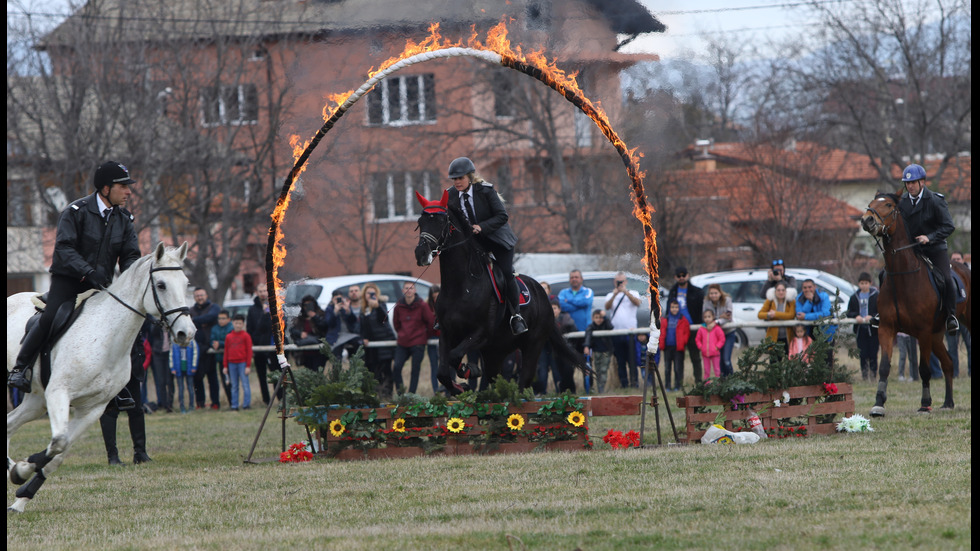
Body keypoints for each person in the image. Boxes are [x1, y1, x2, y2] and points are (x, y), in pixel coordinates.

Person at [8, 160, 141, 410]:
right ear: (105, 188)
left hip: (102, 283)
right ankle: (21, 368)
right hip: (68, 280)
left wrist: (131, 278)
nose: (128, 191)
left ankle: (118, 386)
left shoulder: (124, 218)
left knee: (122, 325)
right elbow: (64, 249)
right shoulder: (75, 211)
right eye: (123, 186)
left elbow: (130, 254)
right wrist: (88, 272)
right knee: (50, 318)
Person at [446, 156, 527, 335]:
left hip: (498, 240)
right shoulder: (450, 195)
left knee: (506, 272)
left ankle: (516, 316)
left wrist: (481, 227)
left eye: (460, 178)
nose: (456, 182)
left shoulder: (485, 191)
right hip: (474, 243)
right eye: (454, 179)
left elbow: (502, 216)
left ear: (470, 176)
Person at [897, 163, 958, 335]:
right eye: (907, 183)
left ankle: (951, 316)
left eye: (913, 182)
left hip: (935, 249)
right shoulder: (902, 203)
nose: (909, 186)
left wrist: (929, 237)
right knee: (885, 274)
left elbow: (948, 226)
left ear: (922, 182)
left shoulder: (935, 200)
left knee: (946, 278)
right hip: (912, 250)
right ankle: (886, 313)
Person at [100, 328, 153, 465]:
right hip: (112, 370)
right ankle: (112, 457)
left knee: (136, 411)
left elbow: (138, 339)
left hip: (132, 367)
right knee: (110, 412)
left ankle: (140, 453)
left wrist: (139, 358)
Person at [392, 281, 434, 394]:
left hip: (418, 342)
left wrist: (424, 336)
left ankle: (411, 395)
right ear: (403, 291)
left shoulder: (422, 305)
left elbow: (430, 323)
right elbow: (396, 324)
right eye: (406, 288)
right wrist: (402, 333)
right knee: (396, 367)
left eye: (411, 288)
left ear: (415, 290)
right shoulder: (398, 306)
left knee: (415, 370)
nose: (409, 290)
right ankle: (401, 395)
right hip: (403, 342)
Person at [604, 271, 642, 389]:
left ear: (626, 282)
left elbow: (637, 303)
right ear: (614, 282)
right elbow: (607, 307)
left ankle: (634, 383)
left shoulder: (633, 292)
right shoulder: (610, 295)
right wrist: (615, 294)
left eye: (621, 281)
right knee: (620, 361)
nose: (619, 283)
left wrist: (626, 292)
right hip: (616, 332)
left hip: (630, 333)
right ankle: (624, 384)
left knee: (632, 360)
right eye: (617, 281)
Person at [667, 266, 705, 384]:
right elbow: (668, 310)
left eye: (684, 275)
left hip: (693, 328)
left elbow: (702, 310)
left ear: (688, 276)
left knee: (695, 357)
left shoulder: (697, 292)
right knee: (679, 358)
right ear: (675, 277)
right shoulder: (673, 291)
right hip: (678, 329)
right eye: (679, 276)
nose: (682, 278)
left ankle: (698, 381)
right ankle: (679, 383)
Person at [359, 283, 397, 399]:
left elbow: (383, 320)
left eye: (373, 293)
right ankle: (376, 394)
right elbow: (362, 327)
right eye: (368, 293)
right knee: (373, 371)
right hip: (371, 347)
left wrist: (377, 307)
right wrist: (363, 338)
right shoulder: (363, 309)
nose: (370, 295)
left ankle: (387, 394)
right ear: (364, 295)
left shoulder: (381, 305)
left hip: (384, 344)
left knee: (386, 370)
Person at [190, 287, 222, 409]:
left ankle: (215, 402)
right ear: (194, 297)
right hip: (196, 349)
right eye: (197, 295)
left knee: (212, 377)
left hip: (211, 348)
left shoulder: (214, 307)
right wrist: (201, 321)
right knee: (197, 378)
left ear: (206, 295)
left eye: (202, 295)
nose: (200, 297)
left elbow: (212, 317)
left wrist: (195, 320)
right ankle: (200, 403)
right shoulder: (191, 310)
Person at [796, 278, 837, 367]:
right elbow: (799, 315)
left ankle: (827, 380)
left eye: (810, 287)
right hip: (808, 333)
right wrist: (809, 302)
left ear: (815, 287)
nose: (807, 290)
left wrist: (807, 316)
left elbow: (826, 313)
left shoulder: (823, 296)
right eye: (805, 288)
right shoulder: (799, 298)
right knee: (808, 359)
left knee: (826, 359)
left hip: (825, 332)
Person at [247, 284, 276, 405]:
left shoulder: (275, 306)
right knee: (261, 375)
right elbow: (251, 329)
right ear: (257, 293)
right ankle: (266, 400)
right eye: (261, 291)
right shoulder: (252, 310)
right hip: (259, 347)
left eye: (265, 290)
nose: (263, 293)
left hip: (273, 347)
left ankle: (280, 398)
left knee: (276, 375)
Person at [535, 298, 572, 395]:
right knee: (542, 370)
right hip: (543, 348)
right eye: (551, 308)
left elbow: (570, 329)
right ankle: (542, 392)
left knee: (556, 370)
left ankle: (559, 391)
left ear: (559, 309)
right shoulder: (542, 320)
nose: (553, 310)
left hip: (555, 349)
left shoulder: (566, 319)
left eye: (555, 308)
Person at [847, 273, 880, 381]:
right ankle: (865, 376)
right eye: (862, 283)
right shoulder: (854, 297)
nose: (864, 285)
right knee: (863, 354)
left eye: (866, 283)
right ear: (858, 284)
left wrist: (872, 316)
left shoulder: (876, 295)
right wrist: (856, 316)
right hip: (860, 330)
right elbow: (849, 312)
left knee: (873, 354)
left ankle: (873, 375)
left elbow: (881, 311)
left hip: (873, 330)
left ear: (870, 283)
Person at [703, 284, 736, 377]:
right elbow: (706, 316)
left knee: (726, 360)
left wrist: (716, 321)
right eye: (711, 293)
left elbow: (729, 316)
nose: (713, 295)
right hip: (715, 334)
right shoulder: (706, 302)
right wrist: (720, 317)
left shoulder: (727, 300)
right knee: (719, 361)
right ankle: (723, 382)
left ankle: (732, 380)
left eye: (715, 293)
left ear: (720, 293)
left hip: (728, 332)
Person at [757, 281, 797, 357]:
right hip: (774, 338)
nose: (781, 292)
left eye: (783, 290)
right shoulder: (770, 301)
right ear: (775, 291)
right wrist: (768, 315)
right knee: (774, 363)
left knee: (789, 361)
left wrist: (775, 313)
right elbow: (760, 314)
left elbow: (791, 315)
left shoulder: (791, 301)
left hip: (788, 337)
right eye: (778, 290)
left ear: (786, 291)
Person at [222, 314, 253, 411]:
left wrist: (248, 365)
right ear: (232, 323)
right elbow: (226, 352)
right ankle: (234, 405)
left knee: (245, 384)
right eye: (236, 323)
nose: (238, 325)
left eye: (240, 323)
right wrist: (225, 366)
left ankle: (246, 404)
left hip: (242, 363)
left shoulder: (246, 336)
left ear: (243, 324)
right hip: (231, 364)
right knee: (234, 385)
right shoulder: (228, 337)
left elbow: (249, 352)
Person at [289, 294, 329, 370]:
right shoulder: (299, 319)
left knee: (318, 372)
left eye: (310, 304)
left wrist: (315, 317)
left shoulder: (321, 315)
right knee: (308, 374)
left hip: (319, 350)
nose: (307, 307)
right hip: (305, 352)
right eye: (305, 305)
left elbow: (324, 327)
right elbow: (292, 330)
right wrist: (300, 333)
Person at [658, 299, 691, 392]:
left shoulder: (683, 320)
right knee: (667, 368)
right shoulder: (665, 319)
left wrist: (683, 341)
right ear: (669, 308)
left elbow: (686, 333)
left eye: (676, 307)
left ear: (679, 308)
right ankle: (667, 386)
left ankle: (678, 386)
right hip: (667, 347)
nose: (674, 309)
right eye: (672, 307)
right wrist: (661, 343)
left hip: (678, 348)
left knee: (678, 368)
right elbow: (662, 332)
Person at [146, 315, 174, 413]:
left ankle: (170, 404)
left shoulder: (172, 323)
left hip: (169, 354)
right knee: (161, 380)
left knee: (169, 381)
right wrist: (160, 323)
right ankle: (163, 403)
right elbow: (152, 332)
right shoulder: (156, 322)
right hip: (158, 353)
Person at [583, 309, 614, 394]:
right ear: (593, 318)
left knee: (604, 369)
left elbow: (611, 327)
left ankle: (601, 387)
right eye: (596, 317)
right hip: (596, 351)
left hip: (606, 351)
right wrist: (586, 346)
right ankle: (599, 388)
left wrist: (605, 317)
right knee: (598, 370)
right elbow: (588, 334)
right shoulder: (591, 326)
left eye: (601, 317)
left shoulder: (606, 324)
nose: (599, 319)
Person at [558, 269, 594, 339]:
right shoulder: (563, 292)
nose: (574, 279)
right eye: (572, 277)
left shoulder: (588, 291)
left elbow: (586, 302)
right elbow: (561, 305)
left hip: (584, 331)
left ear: (581, 279)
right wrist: (579, 306)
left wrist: (568, 300)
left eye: (576, 277)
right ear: (569, 280)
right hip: (567, 332)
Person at [170, 337, 199, 413]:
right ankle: (182, 407)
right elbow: (171, 355)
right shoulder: (175, 342)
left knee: (190, 388)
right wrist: (172, 367)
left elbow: (195, 353)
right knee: (180, 389)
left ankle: (191, 406)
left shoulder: (192, 342)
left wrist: (194, 366)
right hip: (178, 369)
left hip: (189, 368)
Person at [210, 310, 234, 402]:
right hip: (220, 359)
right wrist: (213, 344)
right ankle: (230, 401)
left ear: (229, 319)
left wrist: (219, 344)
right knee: (225, 382)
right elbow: (211, 340)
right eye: (219, 318)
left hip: (231, 359)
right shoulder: (215, 328)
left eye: (223, 318)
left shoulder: (231, 328)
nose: (221, 320)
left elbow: (231, 341)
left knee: (232, 382)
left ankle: (234, 401)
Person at [696, 309, 725, 379]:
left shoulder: (717, 328)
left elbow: (722, 339)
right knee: (706, 371)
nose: (707, 319)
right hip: (705, 353)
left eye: (709, 316)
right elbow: (697, 339)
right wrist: (701, 347)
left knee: (717, 370)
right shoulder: (701, 329)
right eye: (705, 317)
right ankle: (707, 385)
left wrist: (717, 347)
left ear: (713, 317)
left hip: (715, 353)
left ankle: (718, 385)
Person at [426, 285, 444, 395]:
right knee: (434, 366)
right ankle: (436, 391)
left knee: (446, 365)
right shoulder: (428, 307)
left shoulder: (446, 304)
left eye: (438, 296)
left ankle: (448, 389)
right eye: (434, 297)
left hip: (444, 338)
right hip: (432, 338)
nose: (436, 299)